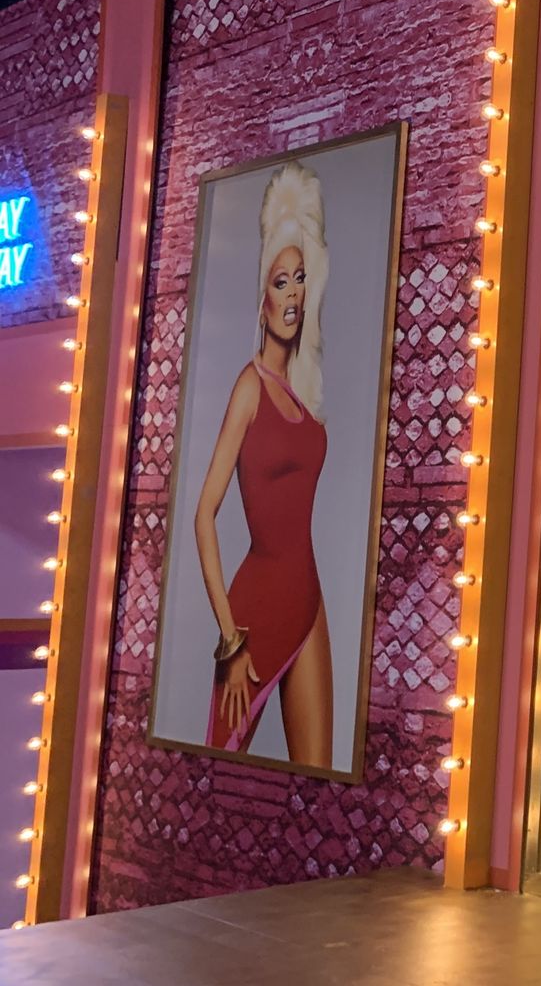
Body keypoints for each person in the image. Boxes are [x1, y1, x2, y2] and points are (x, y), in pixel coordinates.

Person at [194, 161, 333, 767]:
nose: (293, 293)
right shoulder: (248, 387)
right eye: (281, 282)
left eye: (300, 279)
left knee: (321, 780)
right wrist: (230, 640)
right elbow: (204, 515)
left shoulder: (305, 392)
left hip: (309, 600)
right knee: (217, 772)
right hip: (255, 610)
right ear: (261, 299)